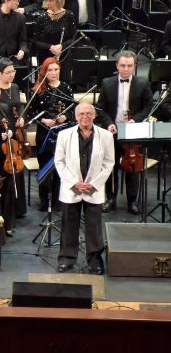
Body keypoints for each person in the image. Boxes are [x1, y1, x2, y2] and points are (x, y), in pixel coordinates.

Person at [54, 103, 114, 275]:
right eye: (81, 114)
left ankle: (95, 261)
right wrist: (74, 183)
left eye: (88, 113)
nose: (85, 117)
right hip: (71, 188)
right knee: (68, 225)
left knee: (94, 227)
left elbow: (109, 163)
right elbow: (59, 162)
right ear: (76, 117)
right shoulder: (64, 135)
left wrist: (94, 184)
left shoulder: (106, 136)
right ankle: (66, 259)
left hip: (93, 188)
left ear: (94, 116)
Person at [96, 51, 153, 215]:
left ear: (135, 66)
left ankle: (132, 201)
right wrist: (109, 123)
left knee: (132, 166)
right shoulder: (107, 83)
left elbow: (148, 106)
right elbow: (100, 108)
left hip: (132, 131)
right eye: (122, 65)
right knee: (110, 166)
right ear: (117, 65)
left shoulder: (143, 83)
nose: (126, 69)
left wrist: (136, 120)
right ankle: (110, 198)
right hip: (113, 131)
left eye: (129, 65)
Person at [0, 79, 27, 234]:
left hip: (7, 152)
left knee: (8, 189)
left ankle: (8, 224)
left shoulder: (5, 107)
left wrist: (10, 132)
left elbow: (12, 127)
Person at [32, 57, 74, 212]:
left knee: (60, 168)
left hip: (62, 133)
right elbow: (32, 113)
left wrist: (65, 117)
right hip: (44, 133)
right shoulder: (38, 89)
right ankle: (44, 201)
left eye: (56, 69)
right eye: (50, 70)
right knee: (44, 166)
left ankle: (57, 200)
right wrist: (43, 120)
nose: (53, 73)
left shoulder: (66, 88)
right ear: (44, 72)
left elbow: (72, 111)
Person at [33, 0, 77, 66]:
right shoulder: (41, 17)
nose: (47, 3)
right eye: (46, 0)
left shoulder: (69, 15)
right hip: (45, 57)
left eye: (50, 0)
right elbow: (35, 41)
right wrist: (50, 47)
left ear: (59, 0)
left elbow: (74, 38)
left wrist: (62, 46)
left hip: (64, 56)